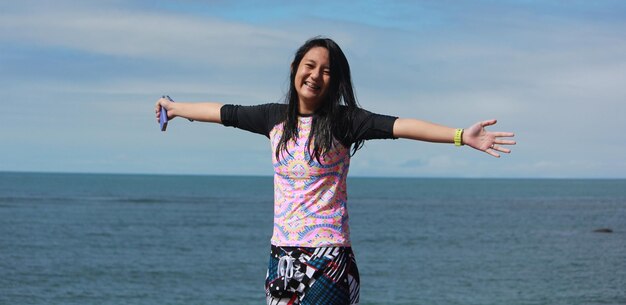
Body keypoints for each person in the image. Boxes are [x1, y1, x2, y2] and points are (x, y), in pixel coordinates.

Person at [155, 36, 515, 305]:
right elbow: (222, 112)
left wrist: (460, 136)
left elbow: (401, 126)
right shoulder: (273, 118)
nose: (315, 75)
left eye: (326, 71)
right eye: (309, 66)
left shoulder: (345, 122)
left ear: (336, 82)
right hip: (282, 256)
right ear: (296, 68)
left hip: (329, 259)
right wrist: (173, 107)